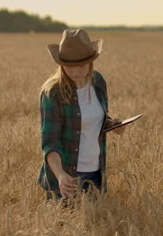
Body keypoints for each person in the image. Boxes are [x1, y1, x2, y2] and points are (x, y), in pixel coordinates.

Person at [37, 29, 125, 204]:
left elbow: (94, 120)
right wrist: (61, 176)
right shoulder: (53, 92)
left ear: (90, 62)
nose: (76, 71)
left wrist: (112, 124)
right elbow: (50, 142)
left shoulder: (98, 82)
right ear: (61, 64)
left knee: (98, 227)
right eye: (70, 66)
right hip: (68, 178)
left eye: (81, 66)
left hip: (96, 172)